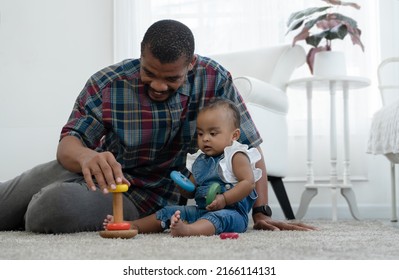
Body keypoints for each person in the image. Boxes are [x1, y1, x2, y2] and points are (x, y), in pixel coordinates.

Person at [0, 19, 314, 233]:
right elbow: (68, 144)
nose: (159, 85)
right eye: (150, 73)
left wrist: (261, 213)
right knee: (12, 201)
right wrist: (85, 157)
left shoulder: (214, 79)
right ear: (140, 55)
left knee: (48, 210)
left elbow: (249, 147)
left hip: (141, 200)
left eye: (172, 78)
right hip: (95, 170)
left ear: (191, 65)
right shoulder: (107, 83)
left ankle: (44, 200)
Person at [104, 98, 262, 237]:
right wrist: (183, 186)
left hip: (232, 213)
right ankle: (135, 225)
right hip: (202, 211)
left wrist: (225, 198)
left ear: (234, 136)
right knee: (169, 211)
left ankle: (189, 231)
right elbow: (191, 191)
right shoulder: (200, 160)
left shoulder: (236, 156)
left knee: (218, 217)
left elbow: (248, 183)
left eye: (213, 134)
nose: (205, 139)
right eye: (200, 134)